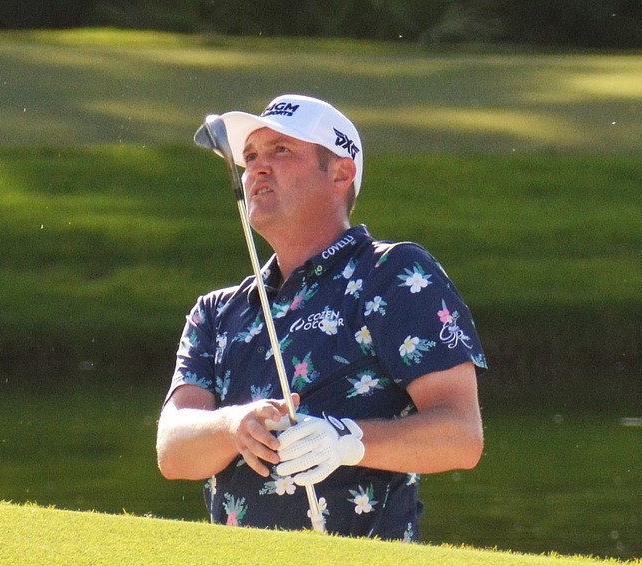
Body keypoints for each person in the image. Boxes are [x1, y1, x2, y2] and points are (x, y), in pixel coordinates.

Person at [156, 94, 487, 541]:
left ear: (340, 173)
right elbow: (173, 452)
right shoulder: (216, 312)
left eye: (281, 151)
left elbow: (461, 435)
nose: (257, 167)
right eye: (250, 156)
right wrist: (233, 426)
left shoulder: (394, 275)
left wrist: (346, 440)